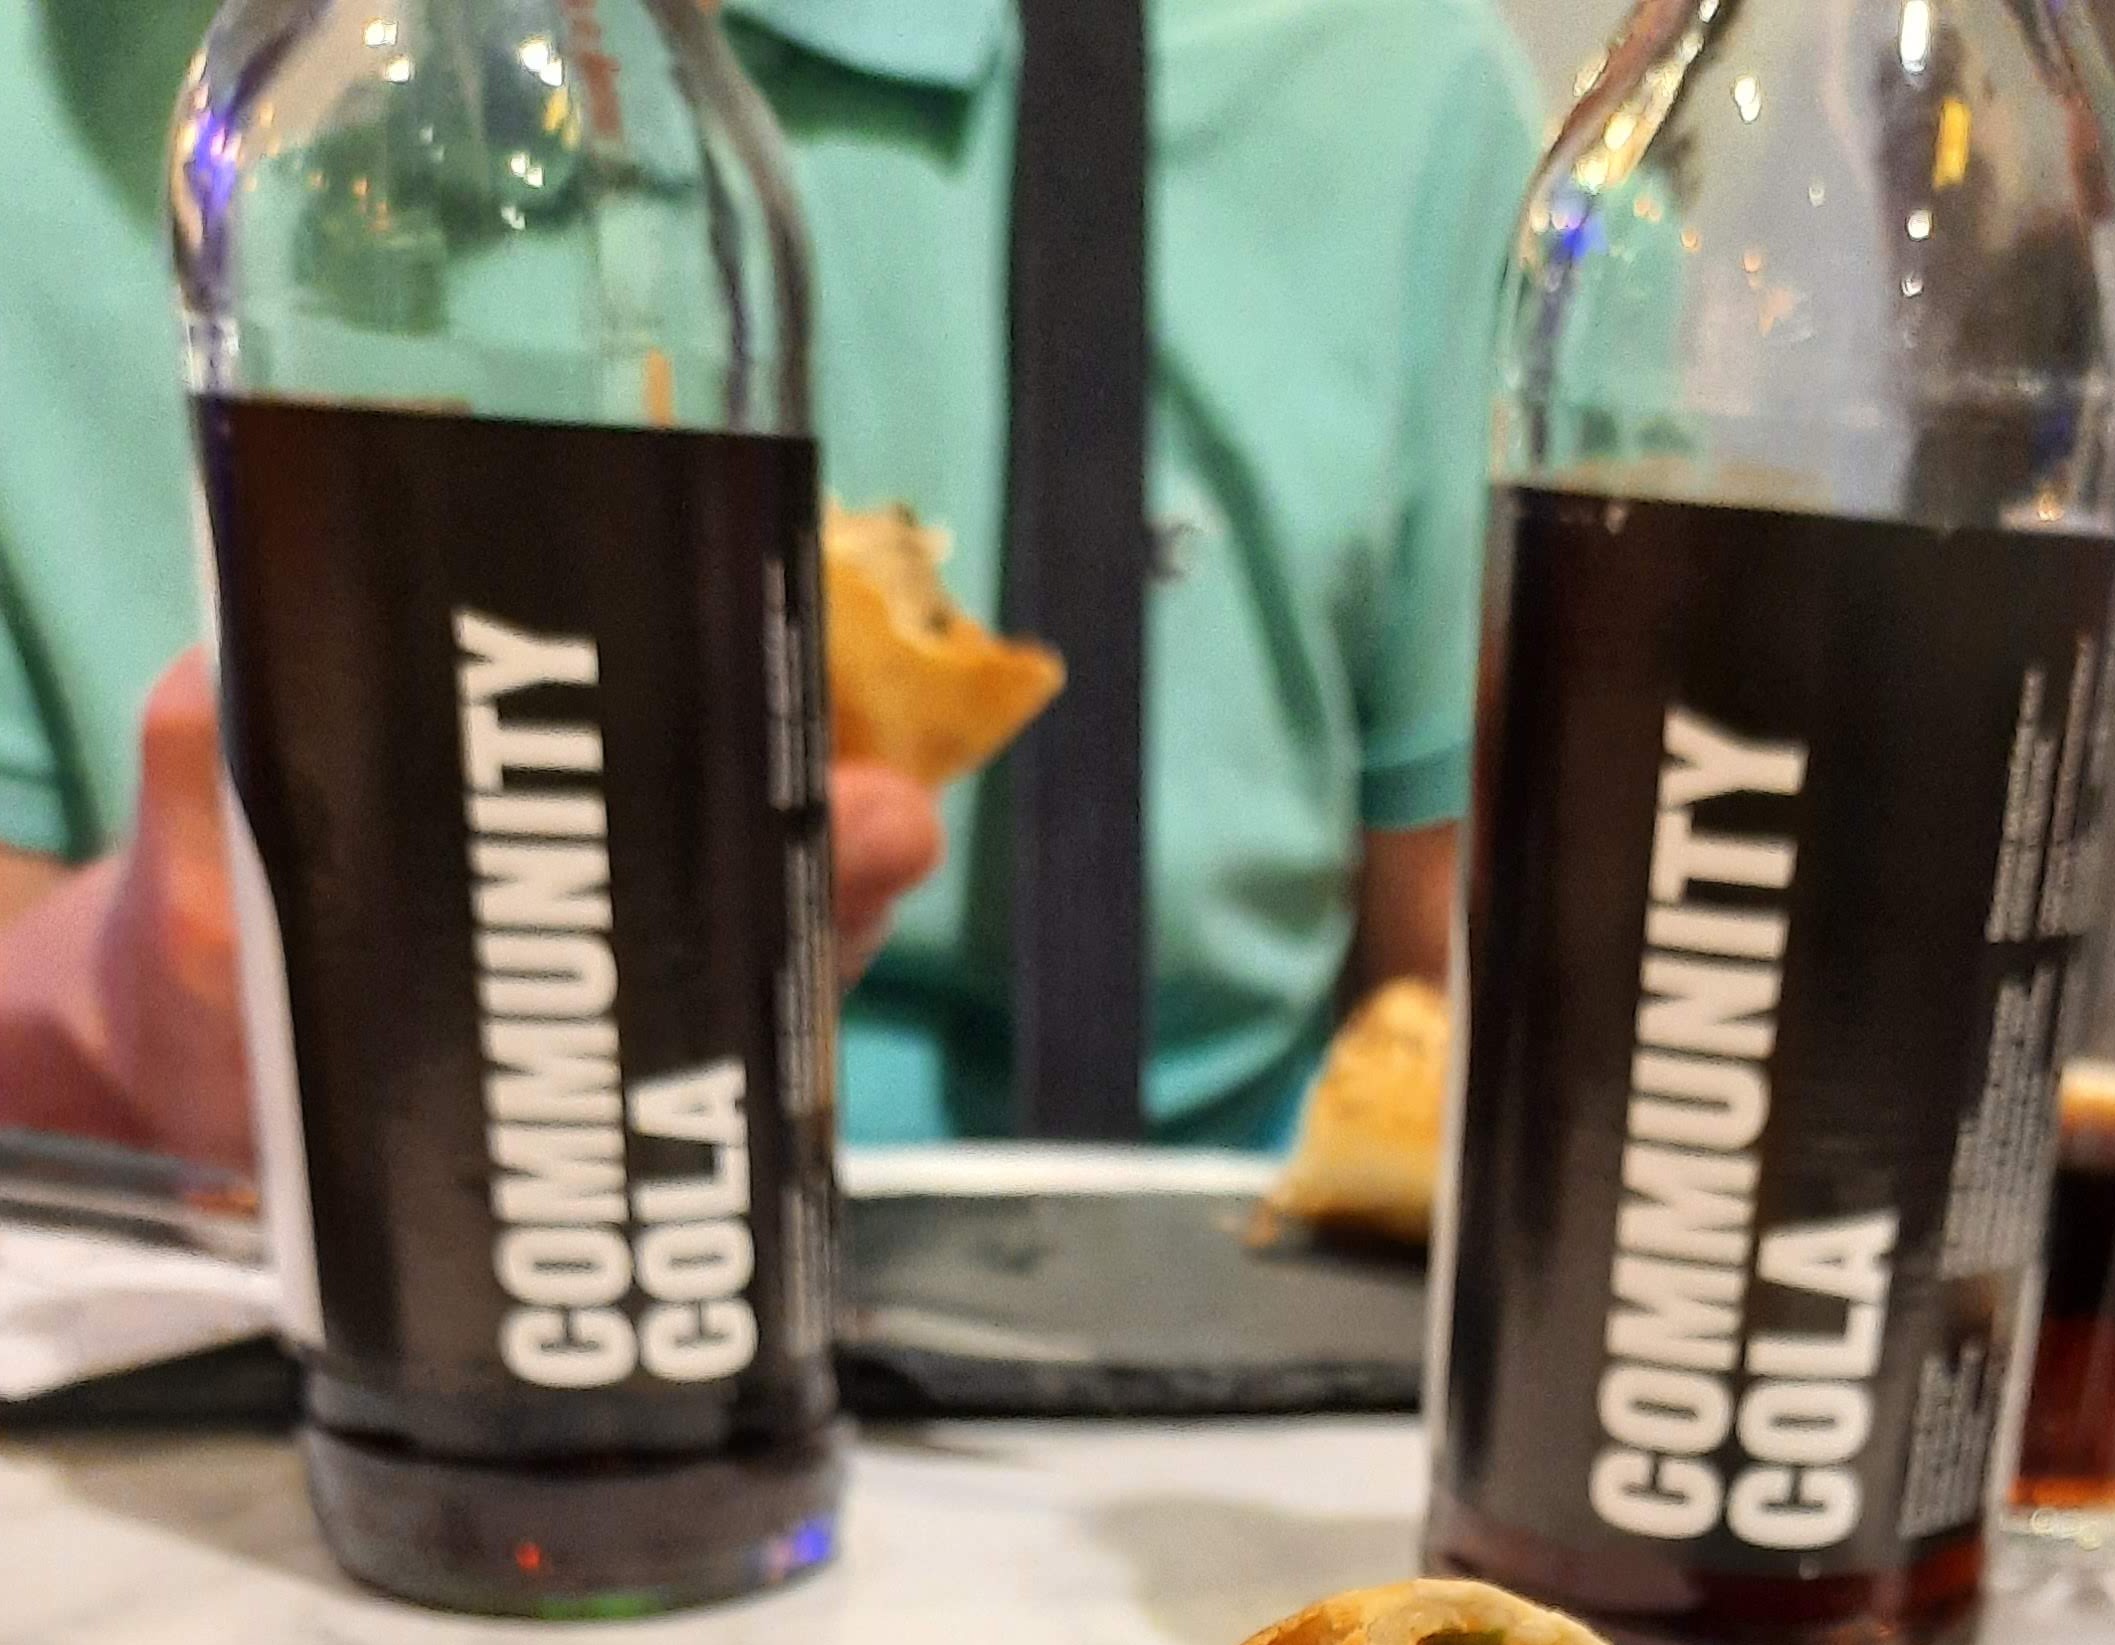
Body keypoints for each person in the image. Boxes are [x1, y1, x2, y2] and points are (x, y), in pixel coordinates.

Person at [0, 0, 1538, 1165]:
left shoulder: (1380, 84)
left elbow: (1470, 997)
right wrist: (125, 1014)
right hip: (261, 1330)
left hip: (1167, 1352)